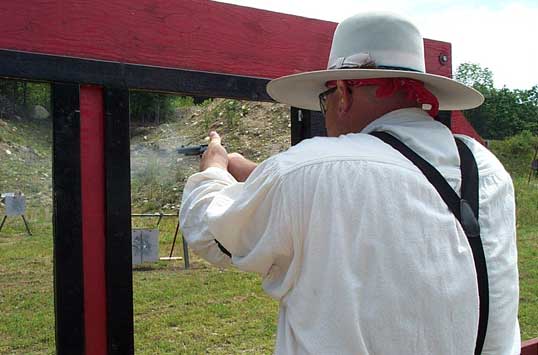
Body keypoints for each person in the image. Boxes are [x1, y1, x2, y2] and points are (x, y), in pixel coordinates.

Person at [179, 12, 520, 354]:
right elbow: (381, 188)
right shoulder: (486, 167)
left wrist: (215, 168)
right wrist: (257, 174)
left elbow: (210, 229)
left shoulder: (309, 174)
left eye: (324, 100)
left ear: (342, 92)